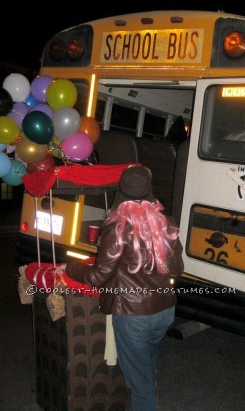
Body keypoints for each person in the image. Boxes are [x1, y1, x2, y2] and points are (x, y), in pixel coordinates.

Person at [59, 165, 184, 411]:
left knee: (140, 385)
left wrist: (69, 268)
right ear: (149, 191)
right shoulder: (166, 224)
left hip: (132, 316)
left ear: (121, 192)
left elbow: (98, 276)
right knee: (144, 371)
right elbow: (177, 269)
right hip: (164, 312)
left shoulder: (117, 227)